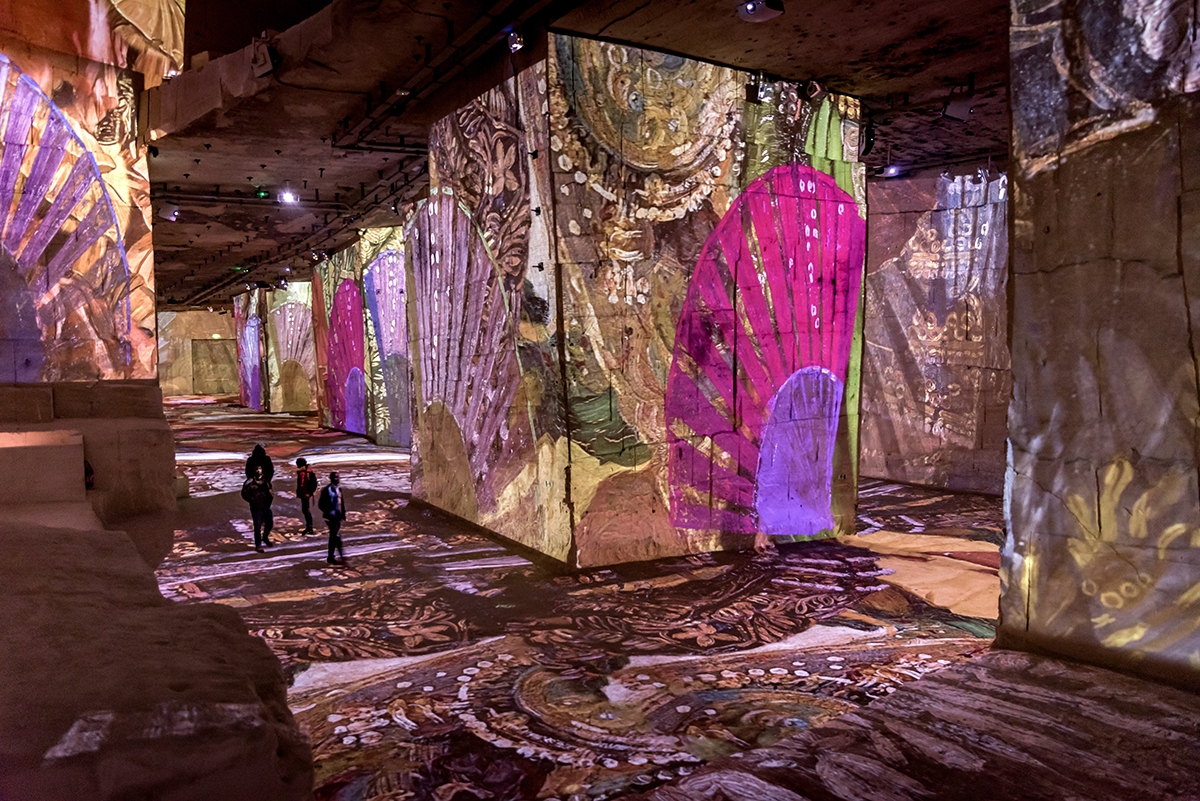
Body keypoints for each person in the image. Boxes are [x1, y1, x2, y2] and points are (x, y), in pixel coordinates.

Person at [241, 464, 274, 552]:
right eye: (256, 469)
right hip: (256, 507)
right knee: (257, 526)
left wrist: (270, 498)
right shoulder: (249, 482)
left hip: (266, 506)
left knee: (269, 524)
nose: (258, 470)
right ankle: (258, 545)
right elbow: (244, 493)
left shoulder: (265, 480)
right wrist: (253, 500)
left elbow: (270, 490)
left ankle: (265, 537)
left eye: (259, 468)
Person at [317, 472, 346, 565]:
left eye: (338, 477)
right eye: (335, 477)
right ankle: (336, 556)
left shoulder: (339, 489)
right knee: (335, 536)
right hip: (330, 517)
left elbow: (341, 502)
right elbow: (320, 504)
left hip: (338, 516)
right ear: (331, 478)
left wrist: (343, 514)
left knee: (334, 536)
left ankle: (335, 556)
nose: (337, 479)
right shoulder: (326, 490)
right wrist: (328, 512)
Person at [295, 457, 318, 535]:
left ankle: (309, 527)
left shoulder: (303, 473)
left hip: (305, 494)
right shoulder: (306, 471)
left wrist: (305, 493)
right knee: (305, 510)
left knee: (305, 510)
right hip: (306, 493)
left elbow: (303, 484)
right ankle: (309, 526)